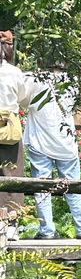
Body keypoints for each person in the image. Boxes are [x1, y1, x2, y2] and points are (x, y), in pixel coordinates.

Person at [23, 65, 81, 240]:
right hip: (66, 144)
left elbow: (22, 101)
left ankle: (47, 230)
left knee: (42, 188)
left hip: (40, 143)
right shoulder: (72, 81)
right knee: (74, 188)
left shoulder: (34, 80)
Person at [0, 30, 32, 241]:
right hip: (8, 126)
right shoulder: (13, 72)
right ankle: (10, 225)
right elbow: (23, 98)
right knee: (12, 174)